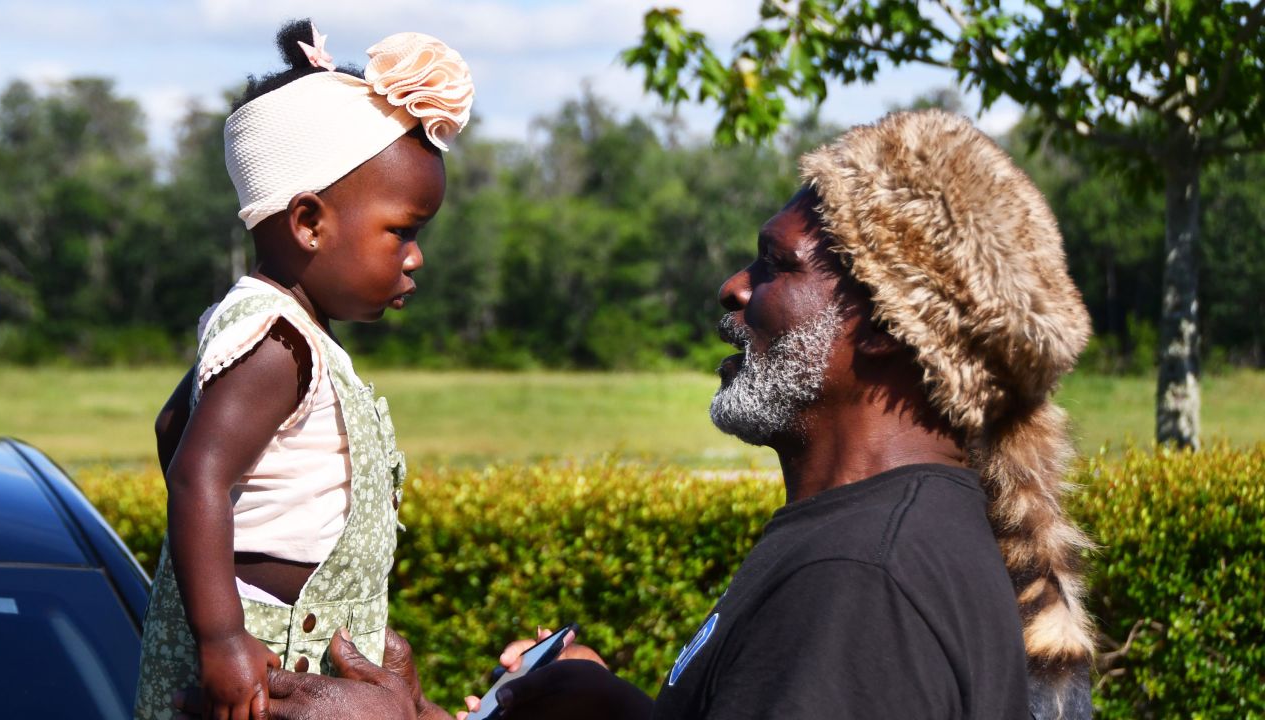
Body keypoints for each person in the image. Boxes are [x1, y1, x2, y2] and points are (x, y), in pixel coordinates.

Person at [178, 109, 1094, 720]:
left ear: (891, 329)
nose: (734, 289)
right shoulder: (876, 538)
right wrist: (592, 701)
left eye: (776, 267)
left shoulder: (864, 581)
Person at [135, 19, 473, 720]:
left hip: (294, 647)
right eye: (402, 230)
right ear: (310, 222)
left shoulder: (274, 332)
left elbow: (175, 427)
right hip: (265, 667)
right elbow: (200, 474)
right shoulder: (275, 345)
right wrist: (225, 635)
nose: (415, 258)